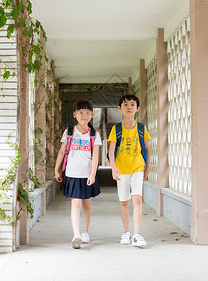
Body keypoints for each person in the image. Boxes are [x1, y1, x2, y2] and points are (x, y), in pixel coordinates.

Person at [54, 100, 102, 249]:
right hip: (72, 173)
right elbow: (62, 151)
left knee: (87, 202)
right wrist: (57, 168)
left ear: (92, 115)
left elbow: (95, 156)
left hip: (87, 174)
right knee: (76, 202)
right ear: (75, 114)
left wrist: (93, 174)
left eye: (87, 112)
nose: (84, 115)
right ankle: (76, 235)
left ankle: (85, 231)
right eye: (81, 112)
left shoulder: (94, 134)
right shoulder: (69, 132)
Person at [108, 94, 151, 247]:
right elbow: (111, 149)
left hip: (137, 167)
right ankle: (126, 232)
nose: (129, 107)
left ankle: (137, 234)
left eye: (132, 105)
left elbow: (146, 148)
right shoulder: (116, 128)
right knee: (124, 202)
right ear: (119, 108)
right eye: (125, 105)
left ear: (137, 108)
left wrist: (147, 168)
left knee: (137, 199)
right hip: (121, 170)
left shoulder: (141, 128)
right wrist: (113, 168)